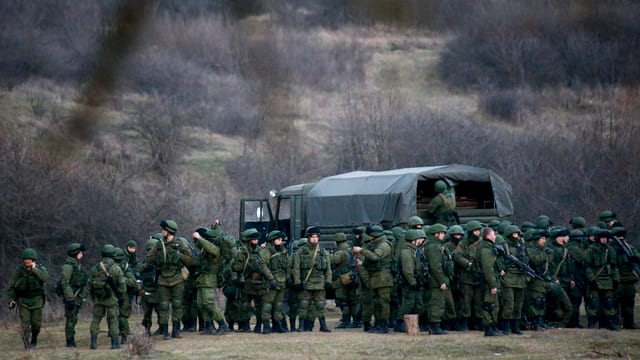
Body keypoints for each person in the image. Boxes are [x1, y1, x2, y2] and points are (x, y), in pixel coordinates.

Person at [146, 219, 195, 340]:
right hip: (163, 278)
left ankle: (176, 330)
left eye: (164, 230)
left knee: (177, 304)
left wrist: (178, 255)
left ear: (169, 231)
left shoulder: (179, 244)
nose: (162, 232)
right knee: (163, 305)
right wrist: (159, 258)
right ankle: (165, 332)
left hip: (177, 278)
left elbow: (190, 260)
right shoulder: (159, 244)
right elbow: (149, 258)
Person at [353, 225, 393, 333]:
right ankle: (379, 324)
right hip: (376, 277)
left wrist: (361, 250)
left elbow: (375, 257)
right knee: (376, 302)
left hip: (383, 277)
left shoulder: (383, 245)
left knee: (383, 302)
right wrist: (363, 263)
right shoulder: (376, 244)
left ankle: (383, 325)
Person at [293, 226, 333, 332]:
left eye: (316, 237)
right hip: (306, 282)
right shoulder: (301, 251)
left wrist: (328, 281)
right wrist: (297, 282)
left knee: (320, 304)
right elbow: (296, 268)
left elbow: (328, 268)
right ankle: (301, 325)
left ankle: (323, 325)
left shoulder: (323, 251)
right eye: (312, 237)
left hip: (319, 282)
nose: (314, 239)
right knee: (304, 304)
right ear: (308, 238)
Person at [8, 248, 49, 349]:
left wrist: (34, 269)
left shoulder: (40, 269)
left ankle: (34, 337)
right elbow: (12, 286)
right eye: (25, 258)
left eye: (29, 258)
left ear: (34, 259)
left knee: (36, 324)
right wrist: (11, 299)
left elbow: (45, 277)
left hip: (37, 300)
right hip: (23, 300)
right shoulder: (19, 271)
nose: (27, 260)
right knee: (25, 324)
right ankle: (26, 343)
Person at [193, 228, 229, 335]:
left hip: (209, 280)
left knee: (209, 304)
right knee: (201, 304)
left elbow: (212, 249)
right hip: (201, 279)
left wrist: (199, 238)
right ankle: (208, 325)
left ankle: (222, 324)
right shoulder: (204, 251)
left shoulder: (215, 248)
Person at [89, 244, 125, 350]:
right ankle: (115, 344)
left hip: (98, 298)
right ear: (113, 254)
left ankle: (93, 343)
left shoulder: (94, 268)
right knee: (113, 319)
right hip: (112, 299)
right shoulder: (116, 268)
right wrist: (121, 297)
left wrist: (94, 297)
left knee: (96, 319)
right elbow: (122, 287)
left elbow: (90, 285)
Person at [585, 229, 620, 330]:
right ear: (598, 239)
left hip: (607, 279)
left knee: (609, 302)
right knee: (593, 302)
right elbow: (587, 266)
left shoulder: (610, 250)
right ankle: (592, 324)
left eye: (606, 238)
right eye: (602, 238)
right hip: (595, 278)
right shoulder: (591, 250)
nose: (604, 240)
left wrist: (616, 279)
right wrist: (591, 280)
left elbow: (614, 267)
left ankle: (612, 324)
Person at [422, 223, 452, 334]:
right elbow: (435, 266)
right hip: (435, 280)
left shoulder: (430, 245)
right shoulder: (434, 247)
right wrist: (442, 281)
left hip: (432, 279)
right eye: (442, 233)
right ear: (436, 234)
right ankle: (435, 326)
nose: (443, 235)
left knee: (434, 302)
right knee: (436, 302)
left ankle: (433, 325)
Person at [394, 229, 426, 332]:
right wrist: (413, 283)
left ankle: (415, 323)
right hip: (409, 283)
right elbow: (408, 271)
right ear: (413, 240)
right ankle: (400, 323)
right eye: (418, 239)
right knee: (408, 303)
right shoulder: (407, 252)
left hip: (415, 282)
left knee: (418, 303)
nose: (421, 241)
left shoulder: (414, 251)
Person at [609, 227, 639, 329]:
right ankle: (627, 323)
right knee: (628, 303)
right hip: (626, 280)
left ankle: (621, 324)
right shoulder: (629, 247)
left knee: (617, 303)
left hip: (620, 281)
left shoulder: (612, 248)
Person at [475, 227, 503, 336]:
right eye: (493, 234)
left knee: (493, 305)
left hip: (489, 281)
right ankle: (489, 329)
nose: (495, 236)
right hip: (487, 282)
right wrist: (493, 285)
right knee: (489, 305)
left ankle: (492, 327)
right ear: (488, 236)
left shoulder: (487, 248)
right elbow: (488, 269)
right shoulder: (485, 250)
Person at [499, 225, 527, 335]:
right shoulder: (504, 247)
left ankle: (516, 327)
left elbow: (526, 262)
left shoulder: (521, 247)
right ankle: (506, 327)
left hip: (520, 279)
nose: (516, 236)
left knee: (518, 304)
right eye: (514, 234)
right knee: (509, 304)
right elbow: (499, 260)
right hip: (509, 278)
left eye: (518, 234)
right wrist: (502, 269)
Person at [60, 243, 88, 347]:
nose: (82, 254)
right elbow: (65, 283)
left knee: (73, 319)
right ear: (76, 253)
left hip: (77, 296)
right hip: (72, 297)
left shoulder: (76, 265)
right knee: (70, 319)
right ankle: (70, 341)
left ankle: (71, 339)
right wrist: (70, 298)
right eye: (80, 252)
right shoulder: (68, 267)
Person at [263, 230, 290, 333]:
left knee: (278, 305)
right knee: (267, 304)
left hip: (281, 281)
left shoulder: (284, 251)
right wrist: (271, 279)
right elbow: (263, 266)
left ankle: (277, 325)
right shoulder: (266, 251)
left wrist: (288, 278)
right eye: (278, 239)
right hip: (270, 282)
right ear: (272, 240)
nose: (281, 241)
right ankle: (266, 326)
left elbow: (287, 266)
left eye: (281, 239)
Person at [331, 232, 358, 329]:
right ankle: (356, 320)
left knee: (343, 301)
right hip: (352, 278)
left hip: (342, 279)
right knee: (353, 300)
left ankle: (346, 320)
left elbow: (333, 261)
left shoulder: (340, 252)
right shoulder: (350, 249)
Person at [526, 230, 551, 331]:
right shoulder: (530, 249)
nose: (544, 241)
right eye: (542, 239)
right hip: (534, 279)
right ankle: (534, 322)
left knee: (541, 301)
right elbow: (535, 260)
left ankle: (540, 321)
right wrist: (544, 254)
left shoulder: (543, 250)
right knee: (536, 301)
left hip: (542, 279)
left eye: (545, 239)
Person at [138, 235, 162, 336]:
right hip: (149, 290)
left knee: (158, 312)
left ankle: (160, 328)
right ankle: (148, 329)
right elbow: (139, 270)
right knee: (148, 314)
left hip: (155, 290)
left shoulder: (158, 262)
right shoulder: (145, 264)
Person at [113, 247, 138, 344]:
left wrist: (121, 280)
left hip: (124, 295)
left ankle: (124, 337)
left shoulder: (126, 268)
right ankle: (120, 335)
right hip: (114, 295)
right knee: (117, 317)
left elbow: (133, 282)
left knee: (121, 316)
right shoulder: (110, 268)